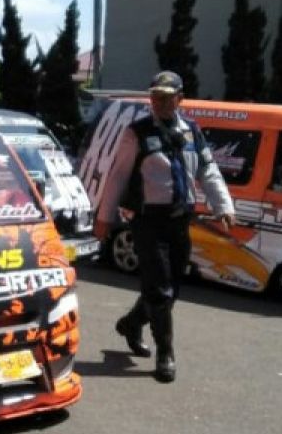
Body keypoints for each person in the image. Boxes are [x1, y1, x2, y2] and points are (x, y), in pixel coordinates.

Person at [94, 71, 234, 383]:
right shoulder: (137, 132)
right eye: (155, 96)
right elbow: (118, 175)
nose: (160, 102)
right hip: (148, 222)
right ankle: (165, 354)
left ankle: (132, 323)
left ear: (180, 99)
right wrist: (104, 218)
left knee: (172, 289)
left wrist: (223, 205)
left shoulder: (191, 131)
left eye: (167, 97)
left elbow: (208, 170)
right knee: (159, 289)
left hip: (180, 220)